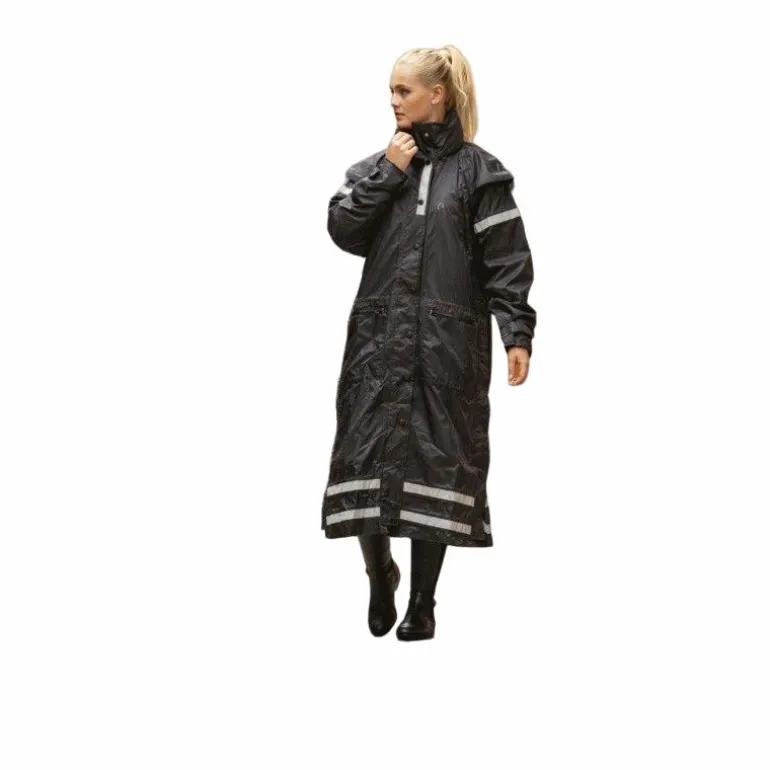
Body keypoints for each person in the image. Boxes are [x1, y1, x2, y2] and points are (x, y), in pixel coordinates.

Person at [321, 45, 537, 641]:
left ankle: (423, 602)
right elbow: (343, 229)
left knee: (434, 461)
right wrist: (389, 172)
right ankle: (378, 577)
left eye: (404, 90)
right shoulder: (378, 166)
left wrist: (516, 332)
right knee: (365, 453)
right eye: (391, 91)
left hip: (446, 345)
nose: (394, 100)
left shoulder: (479, 174)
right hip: (377, 340)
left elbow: (506, 259)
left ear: (436, 94)